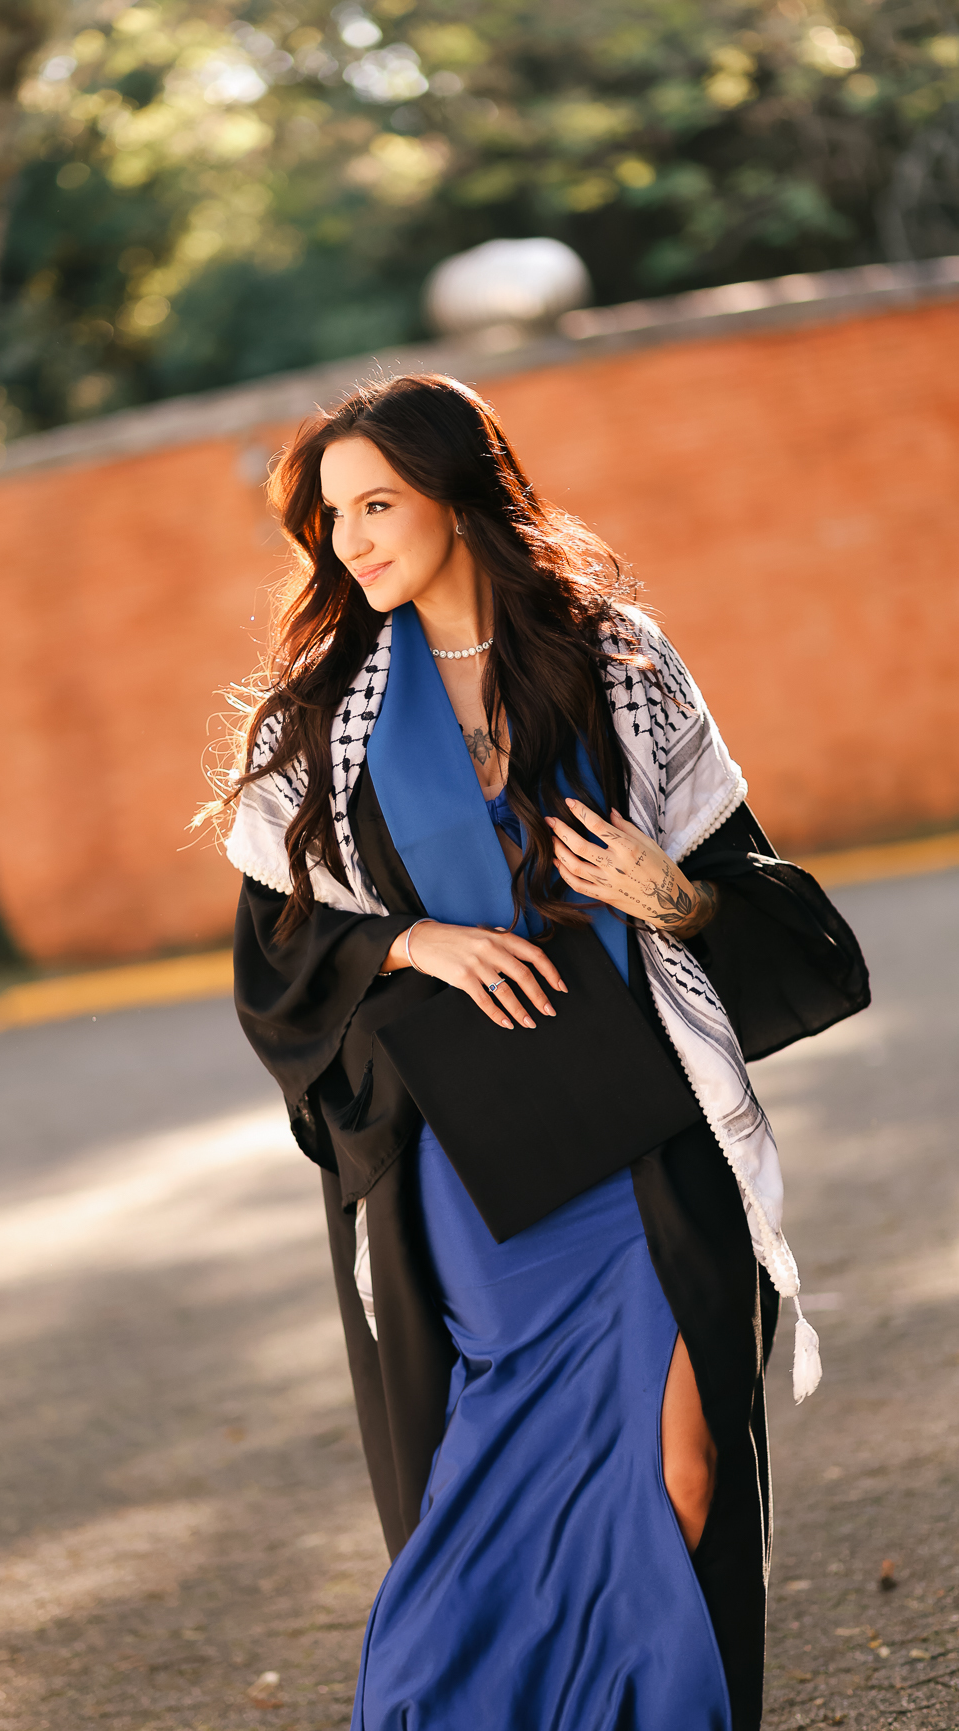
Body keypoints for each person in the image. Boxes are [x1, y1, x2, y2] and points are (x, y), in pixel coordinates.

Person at [213, 374, 869, 1731]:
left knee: (683, 1482)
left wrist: (675, 901)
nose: (351, 539)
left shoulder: (615, 665)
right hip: (472, 1172)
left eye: (378, 503)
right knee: (497, 1496)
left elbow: (753, 893)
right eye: (332, 517)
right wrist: (410, 944)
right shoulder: (324, 719)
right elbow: (278, 962)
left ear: (459, 495)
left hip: (647, 1147)